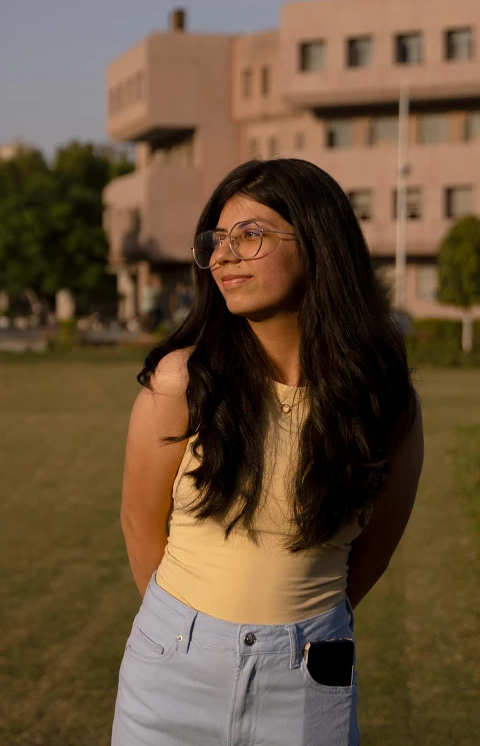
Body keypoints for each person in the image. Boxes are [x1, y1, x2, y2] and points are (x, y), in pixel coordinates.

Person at [111, 158, 424, 746]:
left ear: (317, 243)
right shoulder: (182, 383)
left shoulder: (387, 405)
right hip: (171, 670)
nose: (223, 255)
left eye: (249, 235)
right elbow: (138, 525)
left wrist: (295, 630)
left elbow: (373, 553)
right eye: (216, 240)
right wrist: (193, 633)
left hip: (310, 680)